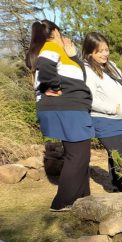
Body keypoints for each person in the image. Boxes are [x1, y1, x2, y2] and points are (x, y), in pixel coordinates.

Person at [26, 20, 93, 211]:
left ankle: (81, 198)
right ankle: (62, 202)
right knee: (78, 154)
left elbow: (81, 79)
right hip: (67, 109)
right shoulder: (51, 46)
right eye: (61, 33)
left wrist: (75, 57)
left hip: (70, 108)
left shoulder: (59, 52)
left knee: (80, 153)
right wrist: (54, 87)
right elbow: (46, 67)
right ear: (54, 32)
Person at [82, 32, 122, 192]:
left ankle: (117, 187)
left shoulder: (110, 66)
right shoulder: (88, 71)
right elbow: (88, 98)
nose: (105, 54)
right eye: (100, 51)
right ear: (90, 52)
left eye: (106, 50)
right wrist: (113, 109)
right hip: (106, 120)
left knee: (117, 157)